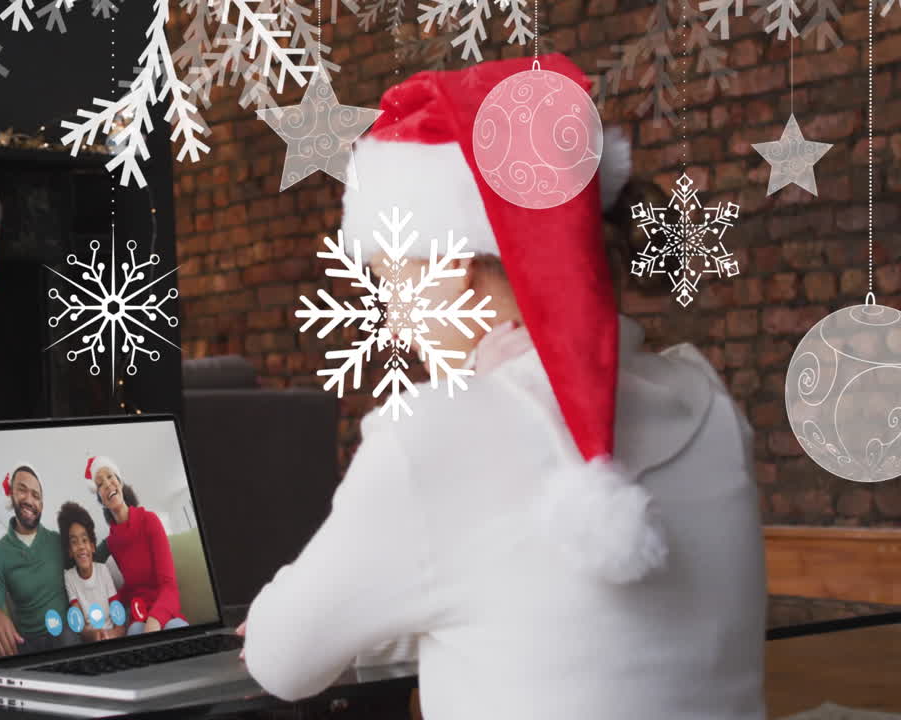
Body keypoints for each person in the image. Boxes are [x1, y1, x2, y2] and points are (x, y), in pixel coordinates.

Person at [239, 55, 766, 720]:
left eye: (388, 281)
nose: (394, 320)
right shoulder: (711, 402)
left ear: (453, 268)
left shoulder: (430, 434)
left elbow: (283, 661)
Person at [0, 465, 77, 660]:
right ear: (11, 495)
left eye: (36, 495)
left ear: (42, 505)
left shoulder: (57, 541)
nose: (29, 500)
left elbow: (88, 561)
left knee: (67, 638)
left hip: (63, 632)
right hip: (25, 641)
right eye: (22, 490)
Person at [87, 456, 190, 634]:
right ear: (101, 500)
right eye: (100, 484)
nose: (108, 484)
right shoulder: (112, 542)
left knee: (175, 630)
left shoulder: (149, 520)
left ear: (119, 482)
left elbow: (169, 585)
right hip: (139, 614)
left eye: (110, 477)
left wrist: (155, 620)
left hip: (165, 611)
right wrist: (109, 605)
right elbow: (132, 587)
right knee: (135, 631)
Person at [57, 501, 126, 642]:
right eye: (74, 542)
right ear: (70, 551)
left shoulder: (103, 570)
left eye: (84, 540)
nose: (81, 546)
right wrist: (95, 635)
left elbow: (120, 624)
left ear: (92, 547)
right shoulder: (69, 577)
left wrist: (109, 636)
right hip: (90, 638)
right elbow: (81, 626)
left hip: (112, 634)